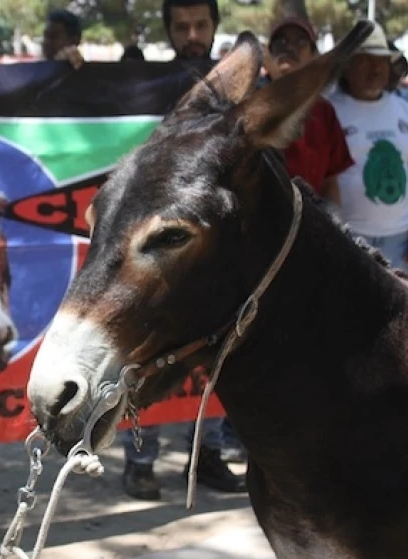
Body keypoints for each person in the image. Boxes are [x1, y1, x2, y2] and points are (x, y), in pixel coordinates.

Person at [117, 0, 247, 501]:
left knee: (219, 355)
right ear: (168, 31)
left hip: (211, 252)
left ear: (214, 27)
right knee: (143, 350)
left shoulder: (237, 89)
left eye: (200, 25)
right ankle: (140, 460)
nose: (192, 35)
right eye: (181, 27)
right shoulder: (140, 84)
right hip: (153, 250)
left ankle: (206, 453)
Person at [329, 22, 408, 272]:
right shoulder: (330, 111)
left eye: (382, 60)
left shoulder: (404, 109)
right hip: (352, 240)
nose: (375, 67)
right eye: (365, 59)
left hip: (402, 240)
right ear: (347, 67)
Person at [263, 16, 354, 204]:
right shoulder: (250, 108)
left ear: (314, 56)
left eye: (301, 41)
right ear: (268, 55)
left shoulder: (324, 111)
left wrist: (332, 222)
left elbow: (330, 181)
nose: (289, 47)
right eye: (281, 41)